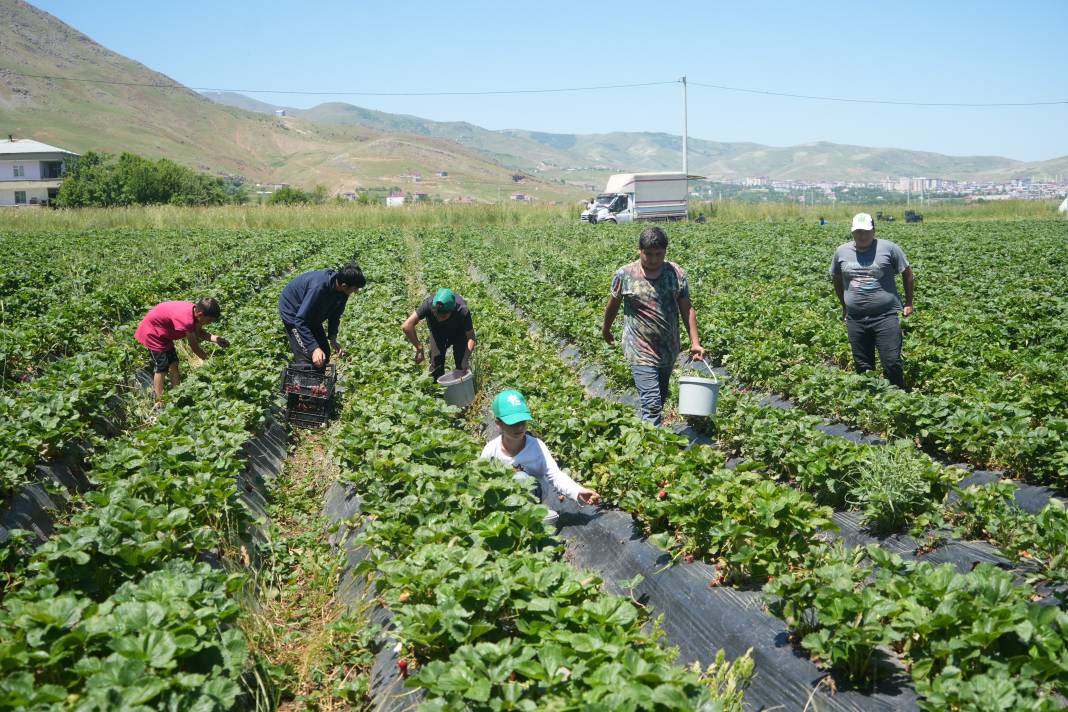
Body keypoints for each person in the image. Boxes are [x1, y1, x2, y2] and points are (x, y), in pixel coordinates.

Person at [602, 227, 705, 426]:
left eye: (659, 254)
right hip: (639, 348)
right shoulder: (625, 275)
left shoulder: (676, 273)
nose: (653, 259)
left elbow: (687, 307)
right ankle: (652, 448)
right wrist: (606, 330)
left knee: (661, 396)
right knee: (652, 403)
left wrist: (695, 342)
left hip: (669, 348)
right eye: (648, 254)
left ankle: (653, 438)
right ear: (639, 250)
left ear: (665, 252)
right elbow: (612, 305)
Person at [830, 212, 914, 390]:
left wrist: (908, 303)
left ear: (873, 230)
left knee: (891, 362)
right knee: (863, 366)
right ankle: (871, 402)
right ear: (852, 232)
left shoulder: (889, 248)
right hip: (856, 318)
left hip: (886, 316)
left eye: (866, 231)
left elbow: (906, 273)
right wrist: (844, 305)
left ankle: (899, 398)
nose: (862, 235)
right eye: (858, 232)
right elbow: (836, 277)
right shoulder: (842, 251)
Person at [481, 389, 600, 511]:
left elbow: (555, 475)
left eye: (523, 421)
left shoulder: (536, 446)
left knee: (520, 478)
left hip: (535, 496)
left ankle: (528, 516)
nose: (520, 427)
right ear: (498, 423)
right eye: (513, 423)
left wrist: (578, 492)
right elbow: (481, 481)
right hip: (502, 500)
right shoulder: (491, 450)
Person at [135, 298, 228, 401]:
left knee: (174, 363)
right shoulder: (187, 320)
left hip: (164, 334)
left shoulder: (195, 313)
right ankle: (158, 400)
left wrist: (217, 339)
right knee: (162, 366)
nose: (210, 322)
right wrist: (209, 361)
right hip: (153, 333)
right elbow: (194, 347)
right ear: (201, 314)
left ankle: (178, 392)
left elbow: (199, 332)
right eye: (209, 320)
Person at [278, 264, 365, 369]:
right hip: (293, 312)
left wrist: (333, 338)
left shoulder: (343, 292)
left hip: (311, 314)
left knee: (324, 353)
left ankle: (318, 383)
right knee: (307, 356)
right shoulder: (318, 288)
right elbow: (300, 320)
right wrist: (314, 348)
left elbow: (335, 315)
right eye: (355, 288)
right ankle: (304, 381)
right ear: (344, 285)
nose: (355, 291)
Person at [402, 288, 477, 380]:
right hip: (437, 332)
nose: (439, 319)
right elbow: (407, 325)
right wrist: (419, 348)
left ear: (452, 310)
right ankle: (438, 390)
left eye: (443, 316)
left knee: (461, 362)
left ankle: (461, 386)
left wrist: (465, 358)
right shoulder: (428, 304)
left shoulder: (462, 310)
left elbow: (471, 337)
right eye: (435, 314)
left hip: (459, 333)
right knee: (436, 361)